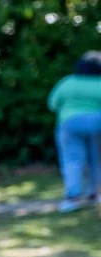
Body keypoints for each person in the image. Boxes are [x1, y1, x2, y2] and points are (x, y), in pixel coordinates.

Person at [48, 50, 101, 213]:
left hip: (69, 124)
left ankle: (73, 198)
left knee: (72, 161)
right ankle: (95, 195)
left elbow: (52, 104)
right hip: (98, 124)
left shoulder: (67, 82)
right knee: (97, 160)